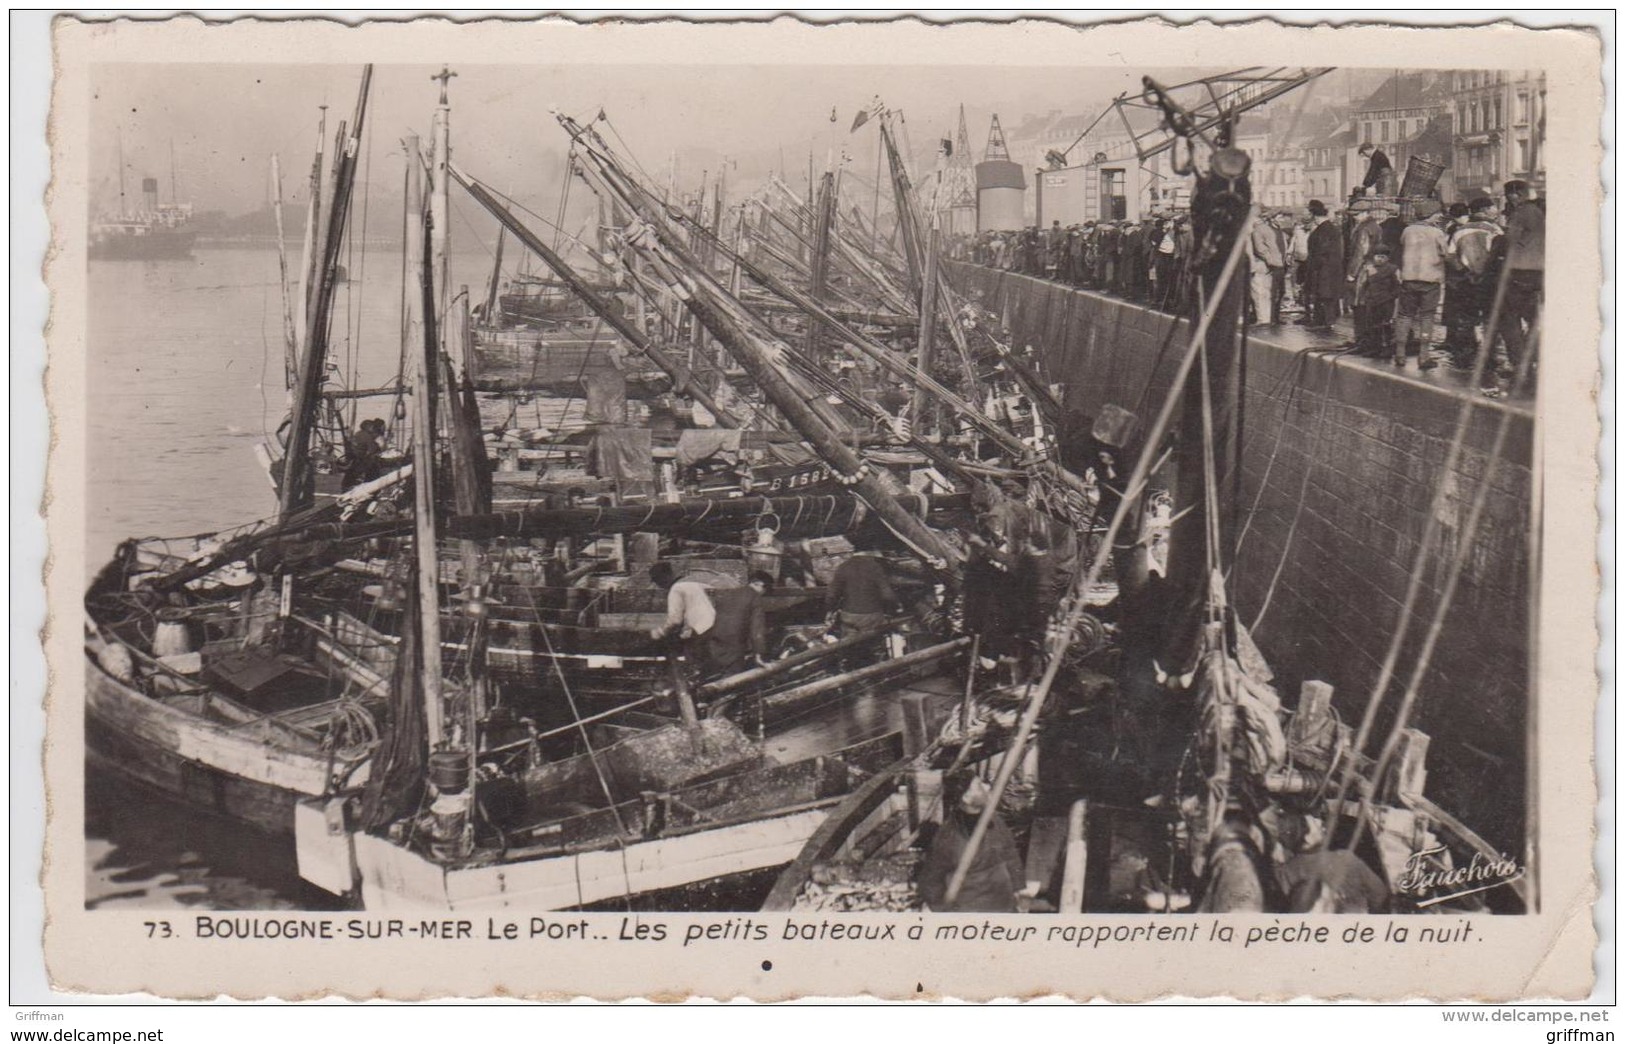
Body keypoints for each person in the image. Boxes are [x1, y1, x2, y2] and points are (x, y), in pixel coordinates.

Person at [917, 774, 1024, 912]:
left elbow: (1011, 853)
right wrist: (942, 911)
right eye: (979, 785)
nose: (987, 786)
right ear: (966, 798)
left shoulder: (994, 820)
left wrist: (1019, 888)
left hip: (1005, 903)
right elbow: (931, 879)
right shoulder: (948, 836)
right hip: (972, 910)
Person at [1491, 179, 1544, 385]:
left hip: (1519, 271)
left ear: (1516, 195)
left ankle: (1520, 365)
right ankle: (1535, 358)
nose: (1508, 200)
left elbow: (1510, 240)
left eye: (1508, 196)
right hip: (1540, 273)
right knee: (1534, 319)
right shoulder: (1541, 210)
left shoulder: (1521, 212)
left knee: (1509, 319)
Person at [1445, 196, 1502, 368]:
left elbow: (1450, 256)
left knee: (1467, 319)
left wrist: (1463, 271)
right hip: (1489, 280)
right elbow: (1501, 255)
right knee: (1490, 319)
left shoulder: (1460, 231)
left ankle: (1465, 356)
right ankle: (1490, 357)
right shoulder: (1495, 230)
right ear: (1485, 210)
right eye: (1493, 207)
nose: (1495, 210)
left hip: (1466, 280)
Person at [1393, 208, 1449, 370]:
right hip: (1430, 279)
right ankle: (1424, 356)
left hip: (1409, 278)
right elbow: (1445, 252)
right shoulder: (1437, 233)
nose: (1439, 216)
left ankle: (1400, 354)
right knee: (1427, 317)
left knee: (1404, 316)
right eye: (1436, 214)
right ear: (1430, 215)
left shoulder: (1407, 231)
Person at [648, 561, 717, 671]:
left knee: (693, 661)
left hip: (701, 630)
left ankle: (691, 684)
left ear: (666, 576)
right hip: (714, 625)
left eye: (658, 580)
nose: (658, 584)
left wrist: (660, 632)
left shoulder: (676, 589)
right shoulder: (692, 584)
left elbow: (675, 620)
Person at [704, 571, 773, 678]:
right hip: (735, 644)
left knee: (714, 676)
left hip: (715, 640)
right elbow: (757, 630)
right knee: (732, 679)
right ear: (760, 585)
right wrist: (759, 654)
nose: (764, 593)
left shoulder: (729, 593)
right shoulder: (755, 597)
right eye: (766, 589)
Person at [826, 545, 900, 635]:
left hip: (848, 615)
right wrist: (895, 607)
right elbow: (887, 595)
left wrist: (830, 610)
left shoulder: (843, 567)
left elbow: (831, 595)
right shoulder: (875, 567)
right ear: (872, 553)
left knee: (849, 643)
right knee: (872, 643)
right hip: (871, 615)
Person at [1351, 243, 1400, 358]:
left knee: (1386, 325)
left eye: (1383, 257)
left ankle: (1387, 348)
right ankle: (1374, 347)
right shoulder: (1369, 269)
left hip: (1386, 302)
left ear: (1387, 258)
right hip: (1372, 302)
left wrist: (1391, 296)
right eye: (1378, 256)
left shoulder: (1393, 269)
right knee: (1373, 325)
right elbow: (1364, 285)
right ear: (1373, 257)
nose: (1380, 259)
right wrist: (1362, 298)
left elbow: (1397, 287)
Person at [1302, 200, 1345, 331]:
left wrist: (1312, 267)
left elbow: (1322, 251)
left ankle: (1325, 323)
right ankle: (1324, 322)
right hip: (1328, 269)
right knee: (1325, 296)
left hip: (1324, 270)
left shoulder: (1324, 230)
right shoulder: (1329, 228)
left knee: (1325, 296)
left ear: (1313, 214)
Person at [1247, 209, 1287, 326]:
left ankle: (1273, 317)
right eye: (1280, 217)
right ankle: (1268, 318)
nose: (1282, 220)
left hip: (1279, 264)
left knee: (1278, 291)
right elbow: (1261, 249)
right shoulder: (1261, 229)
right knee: (1267, 292)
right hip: (1272, 265)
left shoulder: (1278, 230)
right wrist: (1271, 261)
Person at [340, 418, 387, 490]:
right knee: (373, 466)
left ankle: (347, 485)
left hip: (353, 459)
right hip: (361, 460)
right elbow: (373, 449)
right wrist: (379, 447)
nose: (373, 428)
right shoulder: (367, 437)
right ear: (369, 427)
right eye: (372, 427)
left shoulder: (358, 433)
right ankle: (370, 484)